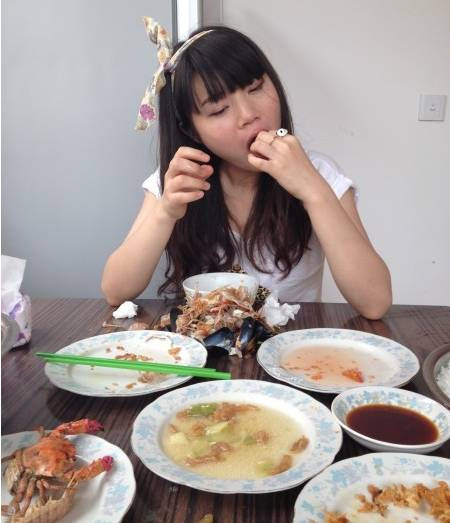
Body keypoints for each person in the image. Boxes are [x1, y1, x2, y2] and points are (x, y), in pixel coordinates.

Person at [101, 18, 392, 319]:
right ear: (191, 130)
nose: (249, 115)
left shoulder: (320, 174)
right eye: (219, 109)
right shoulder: (181, 181)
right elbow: (116, 291)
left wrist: (314, 191)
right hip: (204, 341)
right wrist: (165, 213)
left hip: (293, 342)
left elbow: (375, 302)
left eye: (255, 88)